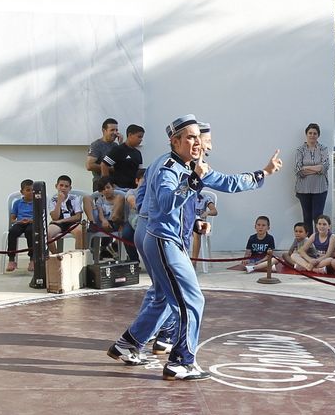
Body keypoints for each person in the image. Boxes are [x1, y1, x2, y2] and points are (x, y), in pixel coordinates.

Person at [107, 116, 281, 380]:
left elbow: (229, 182)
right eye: (190, 137)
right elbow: (165, 203)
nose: (198, 143)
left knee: (163, 297)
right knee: (191, 300)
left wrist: (264, 173)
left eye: (199, 137)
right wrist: (192, 184)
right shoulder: (169, 168)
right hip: (163, 240)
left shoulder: (190, 166)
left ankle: (128, 344)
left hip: (157, 236)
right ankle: (181, 361)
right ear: (175, 141)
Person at [292, 122, 332, 231]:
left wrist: (306, 168)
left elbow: (324, 167)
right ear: (306, 134)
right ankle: (309, 243)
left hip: (320, 188)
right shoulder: (300, 150)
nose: (312, 135)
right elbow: (298, 170)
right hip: (303, 189)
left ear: (318, 135)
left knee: (318, 217)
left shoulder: (323, 149)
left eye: (315, 133)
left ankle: (319, 242)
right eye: (310, 133)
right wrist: (316, 169)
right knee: (307, 217)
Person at [5, 178, 39, 273]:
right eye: (28, 190)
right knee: (12, 232)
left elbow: (40, 217)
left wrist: (31, 220)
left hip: (32, 223)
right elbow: (12, 218)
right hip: (20, 223)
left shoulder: (37, 203)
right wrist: (19, 221)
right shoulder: (17, 203)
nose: (31, 192)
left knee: (30, 232)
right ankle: (12, 259)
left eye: (32, 190)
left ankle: (32, 259)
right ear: (22, 192)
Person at [101, 123, 145, 193]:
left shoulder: (138, 153)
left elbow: (139, 172)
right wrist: (108, 184)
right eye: (139, 137)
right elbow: (104, 165)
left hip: (134, 189)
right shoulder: (118, 150)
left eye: (142, 137)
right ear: (130, 135)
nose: (141, 140)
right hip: (120, 189)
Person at [47, 174, 85, 250]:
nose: (63, 188)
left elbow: (78, 217)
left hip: (72, 223)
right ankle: (57, 257)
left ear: (70, 188)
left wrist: (62, 221)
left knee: (80, 231)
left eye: (66, 186)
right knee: (46, 234)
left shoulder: (74, 198)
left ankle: (77, 257)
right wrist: (59, 201)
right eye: (61, 185)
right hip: (57, 224)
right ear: (56, 186)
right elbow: (55, 217)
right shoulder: (53, 200)